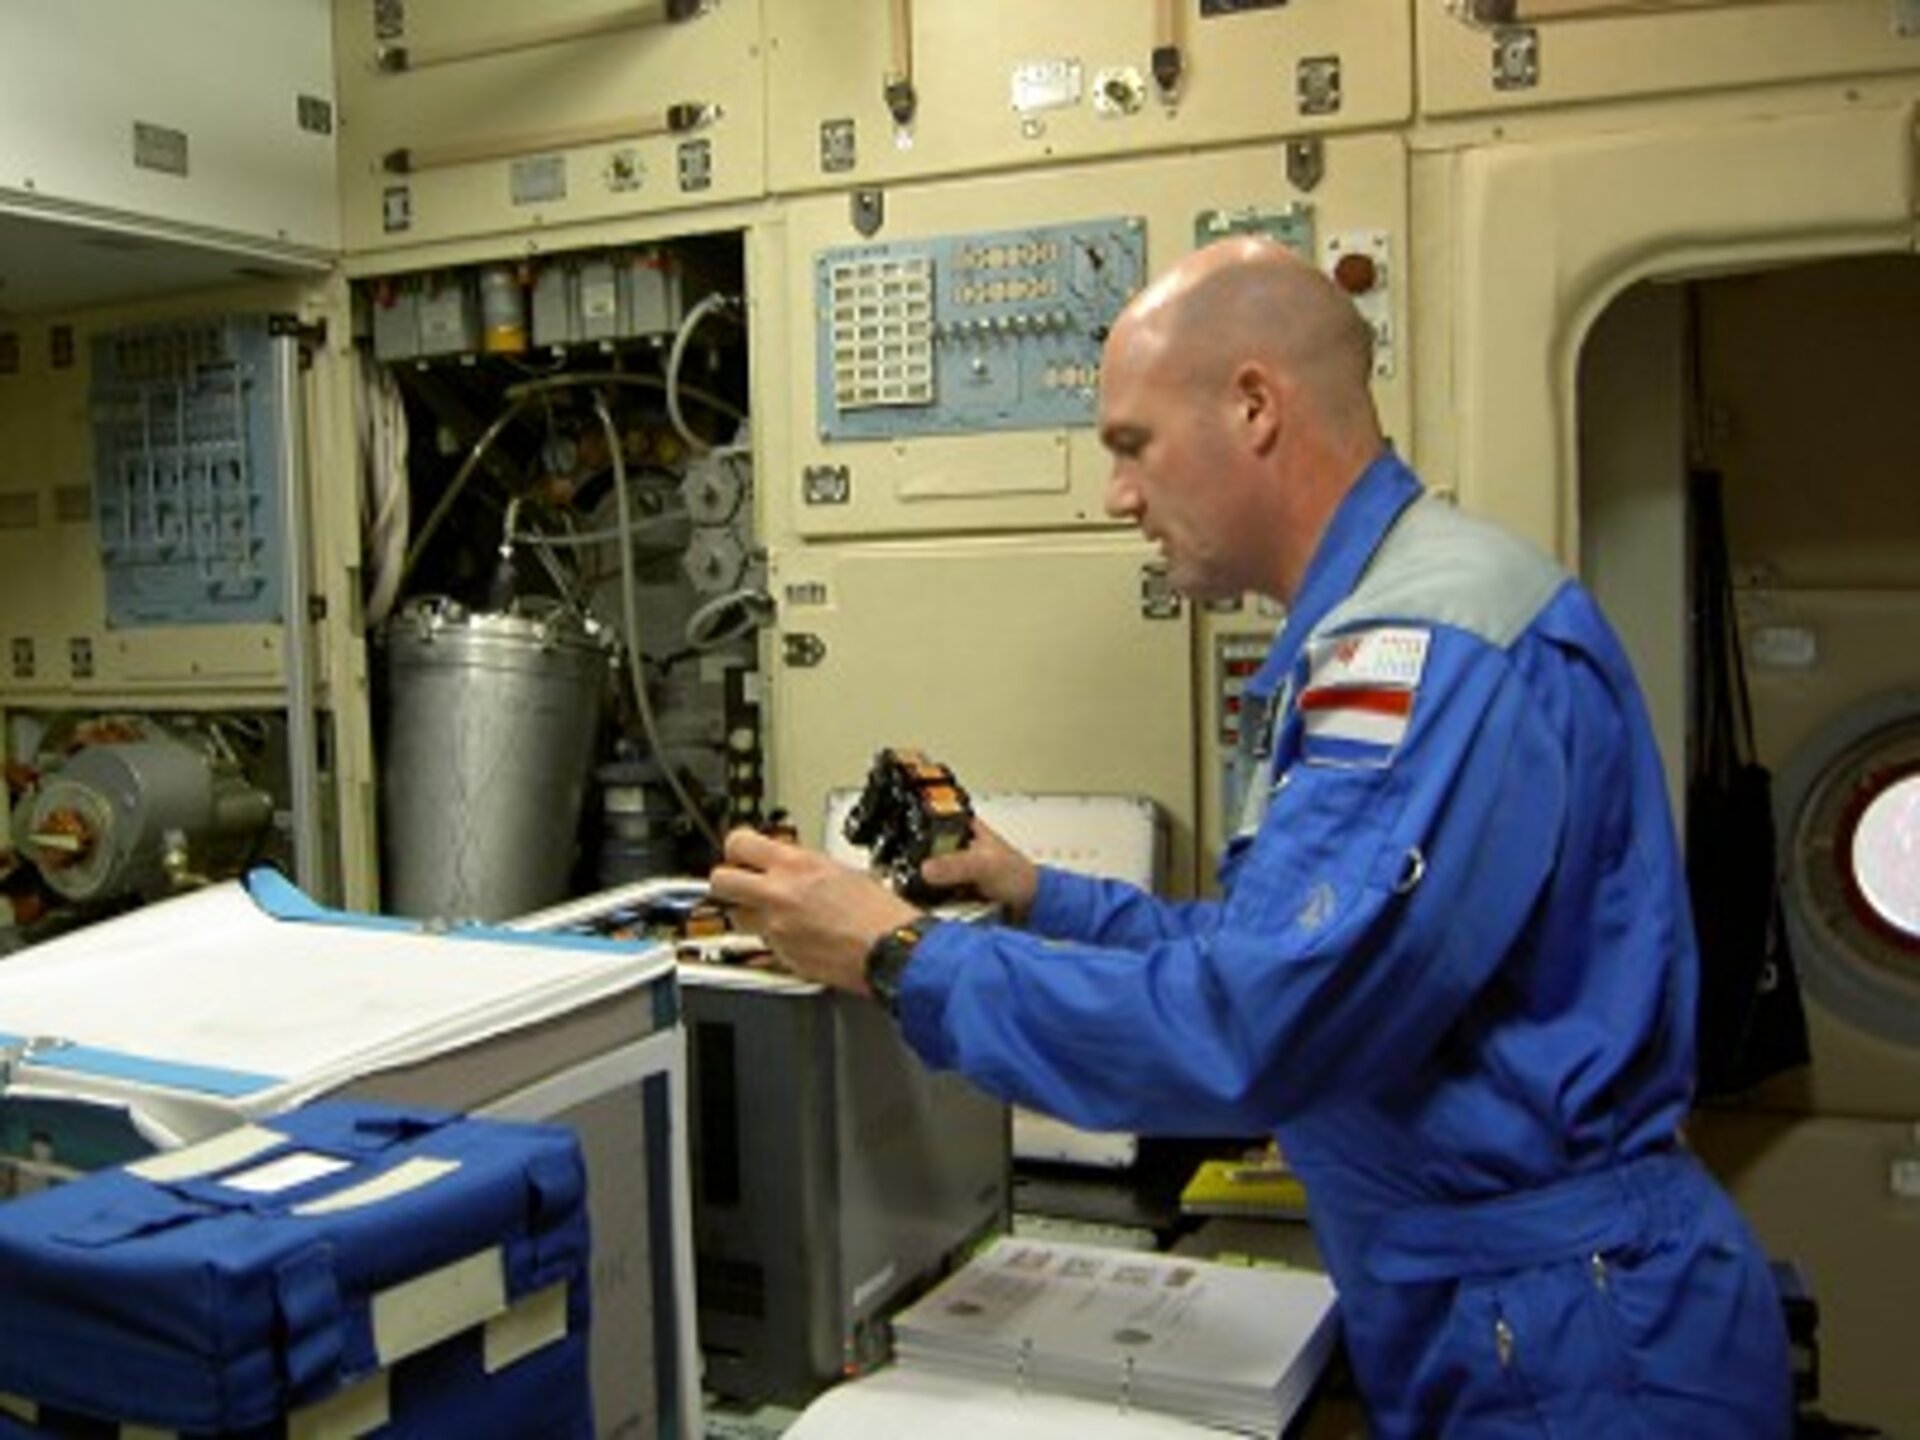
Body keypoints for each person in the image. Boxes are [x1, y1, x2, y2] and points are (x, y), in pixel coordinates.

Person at [709, 237, 1791, 1438]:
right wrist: (1036, 894)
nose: (1116, 494)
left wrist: (898, 955)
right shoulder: (1377, 625)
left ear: (1255, 406)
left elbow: (1261, 1026)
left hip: (1571, 1345)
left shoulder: (1424, 652)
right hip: (1497, 1304)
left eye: (1132, 445)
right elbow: (1271, 947)